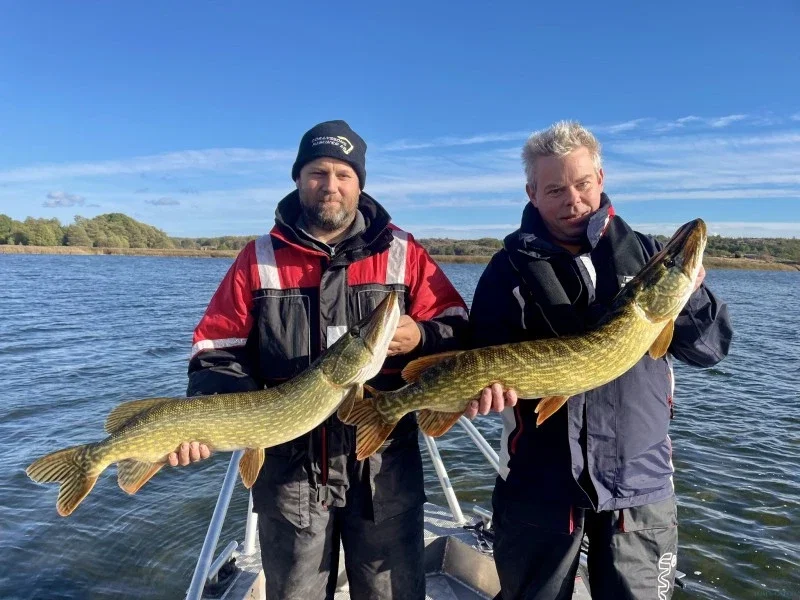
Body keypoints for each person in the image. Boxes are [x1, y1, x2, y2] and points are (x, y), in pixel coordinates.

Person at [172, 120, 473, 600]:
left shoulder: (404, 252)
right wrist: (217, 417)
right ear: (298, 178)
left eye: (343, 174)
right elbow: (215, 352)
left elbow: (460, 330)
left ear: (359, 184)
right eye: (317, 172)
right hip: (289, 476)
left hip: (383, 471)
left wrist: (421, 335)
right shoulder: (258, 258)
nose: (330, 185)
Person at [469, 121, 733, 600]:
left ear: (601, 178)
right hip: (538, 482)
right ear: (532, 193)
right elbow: (481, 352)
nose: (573, 200)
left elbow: (710, 350)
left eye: (582, 184)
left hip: (639, 482)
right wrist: (484, 394)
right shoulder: (506, 270)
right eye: (555, 190)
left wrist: (690, 296)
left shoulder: (647, 253)